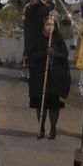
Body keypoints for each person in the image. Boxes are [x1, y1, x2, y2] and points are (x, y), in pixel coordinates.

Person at [26, 11, 70, 139]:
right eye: (47, 24)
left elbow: (64, 55)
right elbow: (31, 54)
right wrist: (44, 53)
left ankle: (53, 128)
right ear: (43, 25)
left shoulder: (58, 39)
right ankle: (41, 128)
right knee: (40, 104)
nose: (50, 27)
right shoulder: (36, 38)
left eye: (52, 25)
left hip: (54, 77)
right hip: (39, 76)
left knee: (53, 105)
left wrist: (54, 53)